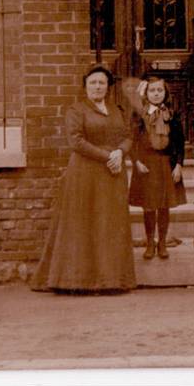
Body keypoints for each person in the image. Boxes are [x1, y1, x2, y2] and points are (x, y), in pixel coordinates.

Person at [30, 64, 137, 293]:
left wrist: (120, 152)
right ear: (85, 86)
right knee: (85, 224)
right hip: (85, 174)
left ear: (108, 87)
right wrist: (108, 155)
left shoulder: (117, 109)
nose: (97, 87)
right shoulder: (77, 110)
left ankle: (112, 280)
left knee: (109, 225)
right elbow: (76, 142)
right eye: (93, 83)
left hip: (113, 173)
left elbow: (128, 136)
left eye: (102, 83)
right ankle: (77, 281)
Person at [129, 75, 186, 260]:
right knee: (149, 206)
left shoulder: (171, 114)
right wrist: (136, 161)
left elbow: (179, 142)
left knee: (163, 206)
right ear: (146, 93)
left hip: (166, 164)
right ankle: (149, 243)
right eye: (152, 90)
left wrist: (178, 164)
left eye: (159, 90)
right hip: (146, 164)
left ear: (165, 93)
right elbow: (132, 140)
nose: (156, 94)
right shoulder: (140, 114)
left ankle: (162, 242)